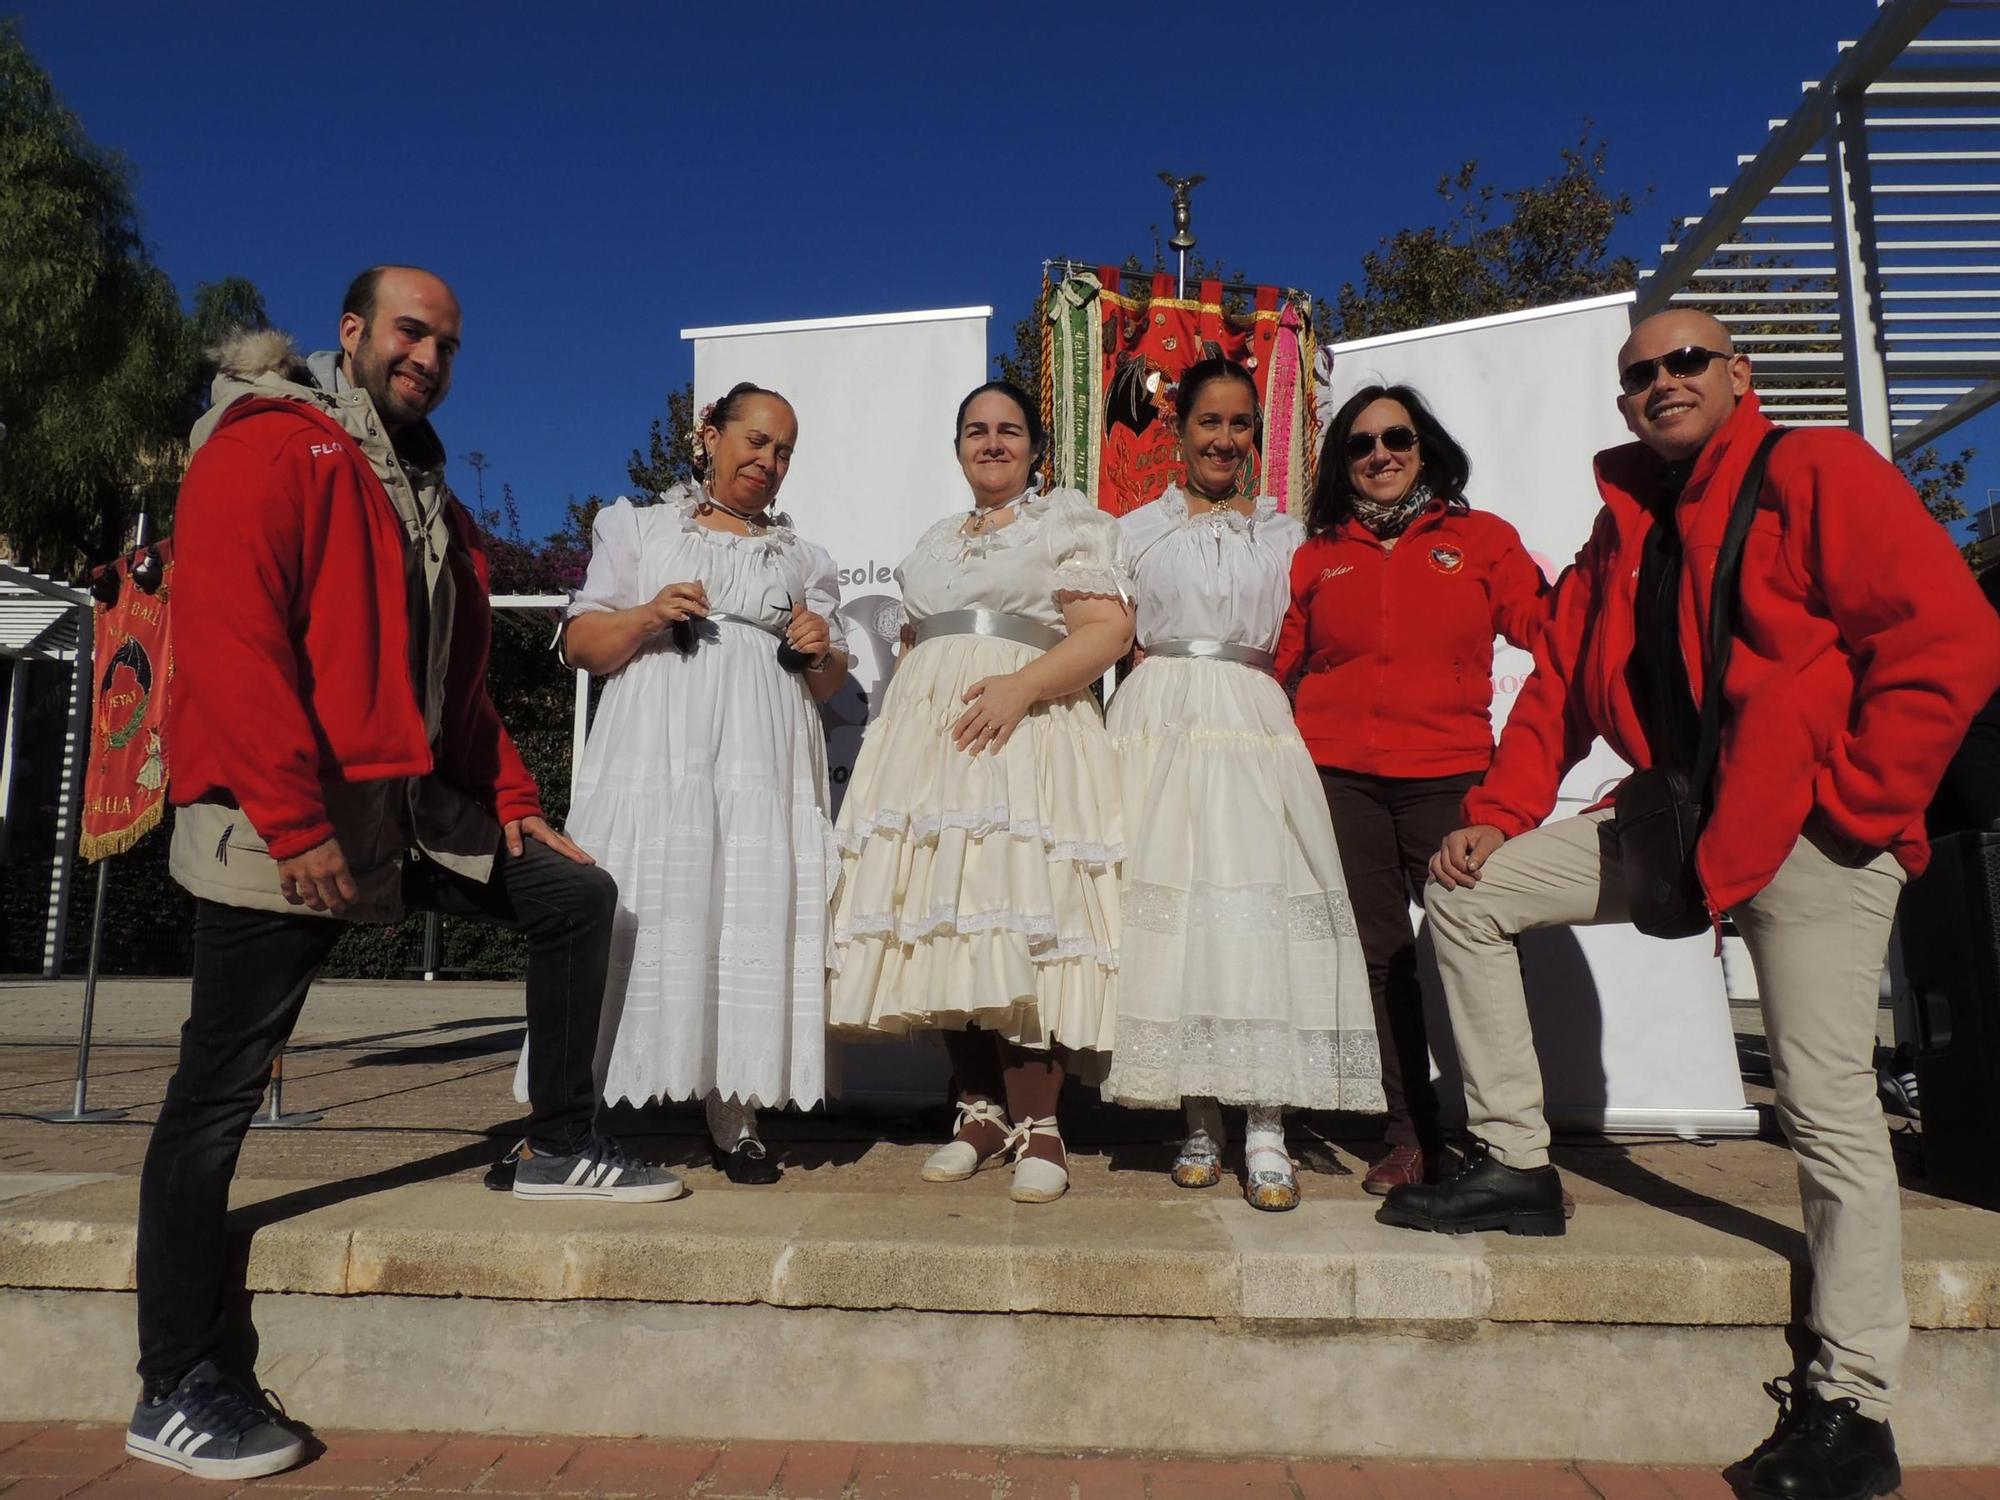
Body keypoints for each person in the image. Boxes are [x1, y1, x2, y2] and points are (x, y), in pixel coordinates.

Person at [1387, 308, 2000, 1500]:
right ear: (1622, 403)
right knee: (1465, 898)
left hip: (1814, 831)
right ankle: (1515, 1164)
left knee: (1824, 1106)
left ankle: (1853, 1405)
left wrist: (1858, 803)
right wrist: (1498, 815)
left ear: (1735, 374)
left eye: (1684, 363)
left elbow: (1946, 636)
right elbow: (1558, 685)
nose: (1660, 383)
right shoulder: (1620, 526)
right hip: (1674, 820)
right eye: (1638, 374)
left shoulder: (1815, 470)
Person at [131, 267, 678, 1484]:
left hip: (402, 806)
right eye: (409, 332)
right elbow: (229, 636)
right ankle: (173, 1381)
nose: (428, 355)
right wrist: (291, 819)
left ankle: (554, 1144)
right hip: (286, 817)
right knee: (214, 1098)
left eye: (447, 342)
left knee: (569, 897)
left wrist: (522, 812)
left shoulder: (426, 490)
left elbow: (464, 693)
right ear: (352, 334)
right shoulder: (271, 443)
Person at [829, 380, 1134, 1204]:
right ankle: (976, 1112)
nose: (991, 443)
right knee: (945, 911)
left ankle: (1040, 1121)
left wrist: (1022, 687)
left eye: (1008, 431)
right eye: (975, 430)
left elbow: (1108, 631)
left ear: (1035, 447)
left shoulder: (1064, 520)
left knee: (1016, 910)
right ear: (958, 446)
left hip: (1022, 729)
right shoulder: (933, 540)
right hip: (934, 743)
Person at [536, 382, 848, 1182]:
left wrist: (819, 647)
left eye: (783, 450)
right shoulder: (638, 526)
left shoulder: (801, 558)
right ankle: (573, 1113)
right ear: (709, 435)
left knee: (740, 901)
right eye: (755, 440)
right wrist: (646, 615)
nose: (768, 460)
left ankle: (735, 1109)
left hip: (759, 754)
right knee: (637, 897)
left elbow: (824, 683)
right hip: (658, 747)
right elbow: (580, 644)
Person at [1103, 357, 1377, 1211]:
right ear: (1178, 430)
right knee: (1177, 917)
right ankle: (1195, 1119)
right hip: (1157, 724)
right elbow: (1109, 632)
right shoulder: (1133, 531)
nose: (1225, 439)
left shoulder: (1288, 534)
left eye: (1241, 424)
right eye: (1209, 423)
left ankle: (1266, 1123)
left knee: (1258, 912)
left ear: (1258, 435)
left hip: (1256, 720)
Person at [1274, 384, 1547, 1194]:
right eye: (1360, 444)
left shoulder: (1483, 539)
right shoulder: (1317, 554)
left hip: (1452, 779)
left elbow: (1553, 631)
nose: (1380, 454)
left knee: (1481, 956)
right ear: (1342, 464)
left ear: (1425, 446)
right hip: (1342, 781)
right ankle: (1413, 1137)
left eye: (1396, 437)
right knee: (1381, 960)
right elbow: (1277, 666)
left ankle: (1511, 1152)